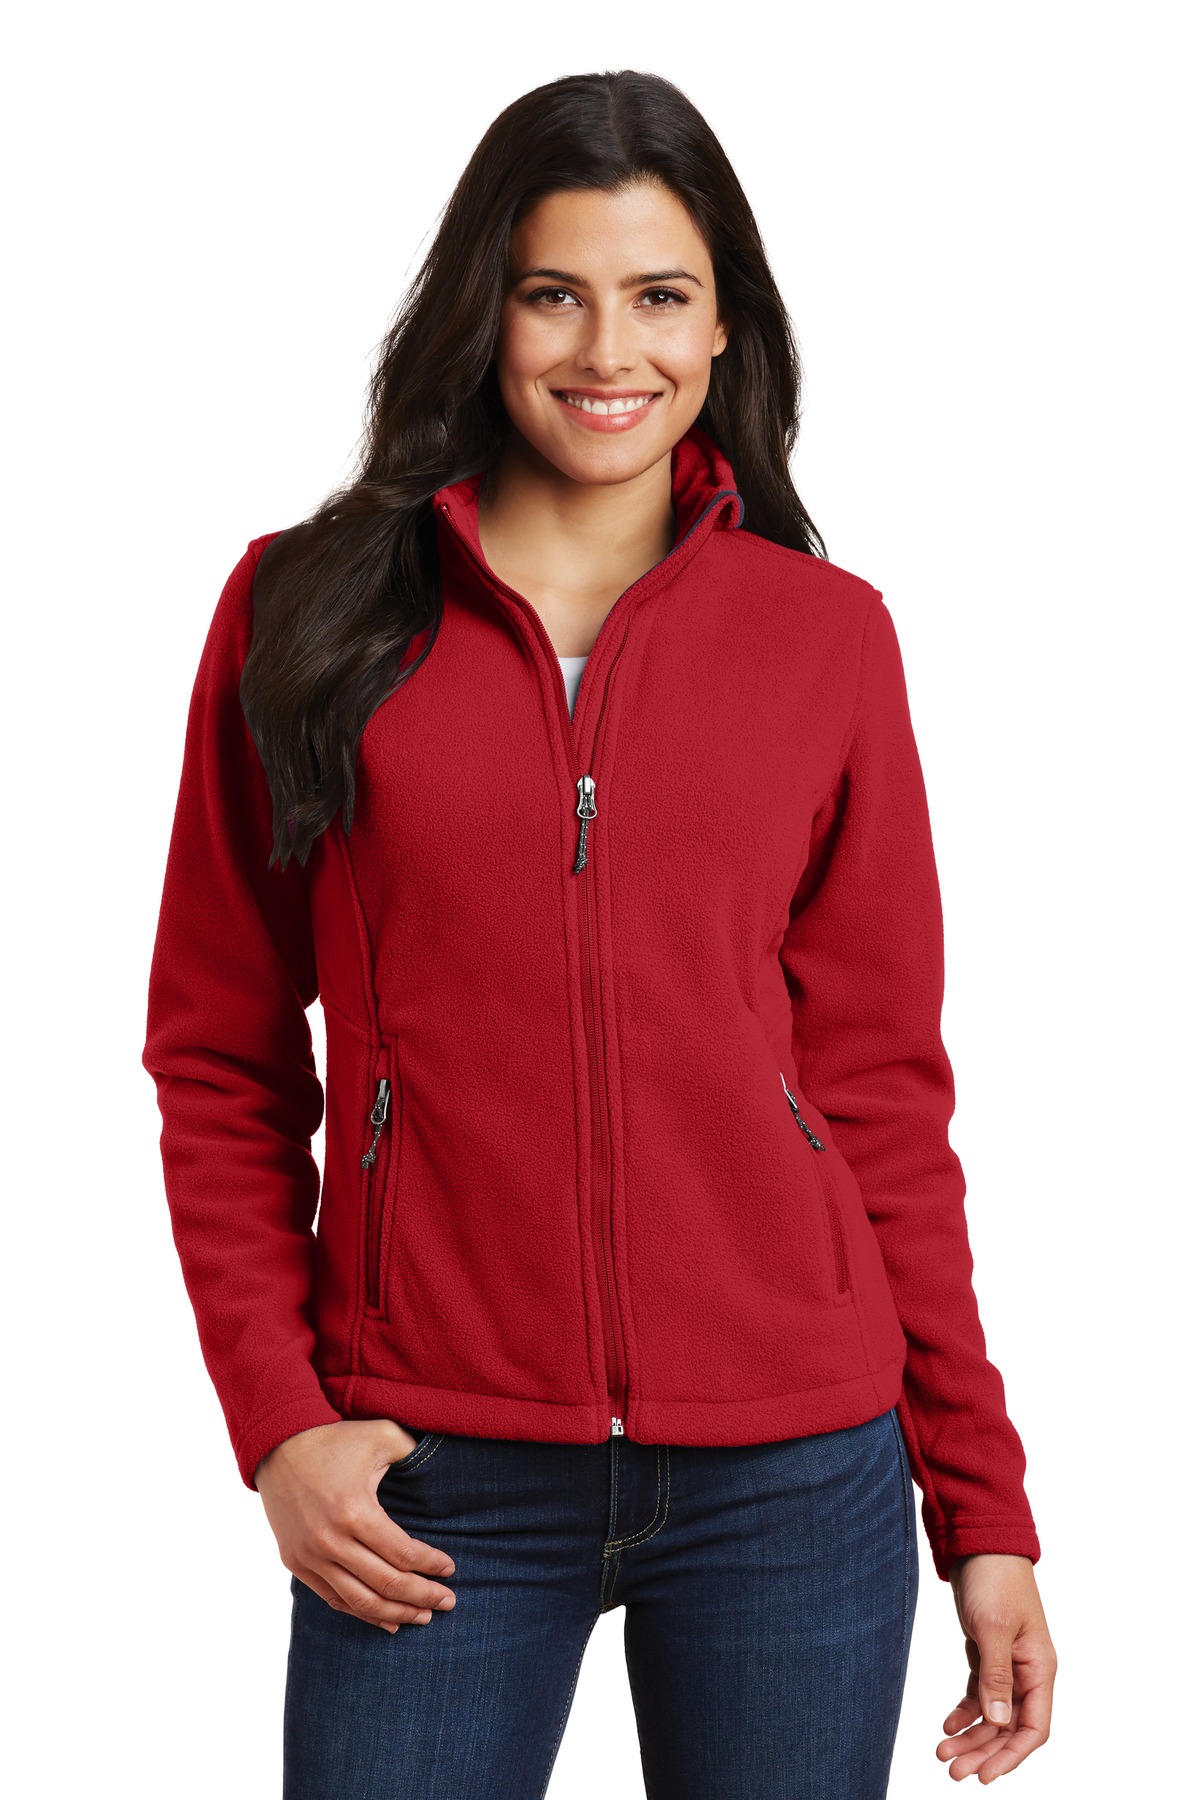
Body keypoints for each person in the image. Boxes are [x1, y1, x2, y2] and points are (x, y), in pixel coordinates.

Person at [142, 68, 1056, 1799]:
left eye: (659, 296)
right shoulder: (305, 612)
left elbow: (878, 1093)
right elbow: (218, 1059)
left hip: (795, 1470)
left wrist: (983, 1509)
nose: (606, 349)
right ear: (482, 313)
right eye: (552, 293)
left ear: (724, 329)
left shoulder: (826, 639)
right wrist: (281, 1424)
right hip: (430, 1471)